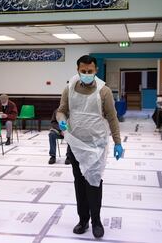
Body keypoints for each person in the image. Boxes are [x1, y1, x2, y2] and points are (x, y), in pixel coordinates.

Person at [57, 55, 123, 239]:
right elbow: (61, 110)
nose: (86, 74)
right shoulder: (69, 88)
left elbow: (112, 117)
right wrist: (62, 121)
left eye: (90, 71)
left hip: (96, 145)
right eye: (83, 71)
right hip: (75, 144)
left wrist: (118, 142)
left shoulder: (104, 91)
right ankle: (83, 220)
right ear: (77, 69)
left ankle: (97, 221)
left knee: (93, 182)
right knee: (79, 183)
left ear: (96, 70)